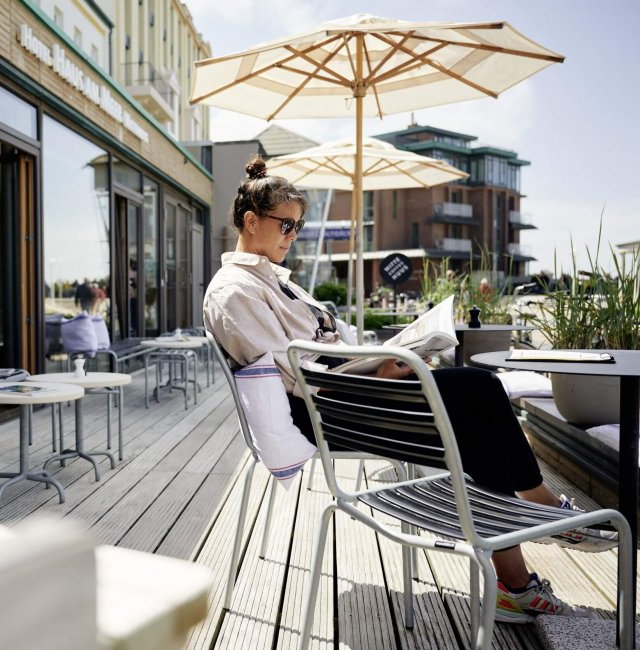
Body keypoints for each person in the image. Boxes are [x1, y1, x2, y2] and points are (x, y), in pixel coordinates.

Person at [203, 155, 615, 624]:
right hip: (325, 413)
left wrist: (379, 356)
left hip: (344, 395)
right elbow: (296, 377)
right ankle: (541, 509)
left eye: (298, 227)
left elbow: (316, 353)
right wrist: (371, 369)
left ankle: (516, 579)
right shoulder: (234, 290)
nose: (292, 237)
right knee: (478, 389)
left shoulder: (271, 281)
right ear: (251, 221)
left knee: (475, 418)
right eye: (285, 226)